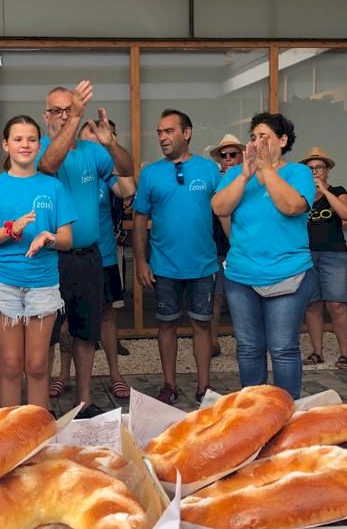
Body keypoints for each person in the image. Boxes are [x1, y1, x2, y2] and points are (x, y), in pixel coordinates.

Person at [37, 81, 133, 418]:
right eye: (58, 111)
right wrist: (77, 117)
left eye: (70, 109)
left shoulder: (93, 152)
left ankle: (84, 401)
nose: (65, 116)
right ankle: (41, 406)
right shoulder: (40, 148)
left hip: (88, 257)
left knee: (85, 331)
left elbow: (126, 170)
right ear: (46, 116)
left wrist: (111, 145)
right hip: (49, 259)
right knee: (47, 334)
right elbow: (49, 165)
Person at [0, 115, 75, 410]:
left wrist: (48, 238)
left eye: (31, 139)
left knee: (38, 366)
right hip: (2, 284)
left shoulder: (53, 187)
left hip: (43, 284)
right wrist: (10, 230)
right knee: (11, 365)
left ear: (39, 145)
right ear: (6, 145)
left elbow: (67, 239)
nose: (25, 145)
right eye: (18, 139)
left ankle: (38, 430)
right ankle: (11, 431)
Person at [211, 112, 315, 399]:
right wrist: (245, 176)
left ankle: (285, 410)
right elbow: (219, 207)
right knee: (248, 347)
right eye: (253, 137)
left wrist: (267, 170)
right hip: (241, 275)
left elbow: (292, 207)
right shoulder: (237, 174)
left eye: (264, 137)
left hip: (288, 273)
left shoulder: (299, 173)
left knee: (283, 348)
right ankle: (255, 409)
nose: (256, 143)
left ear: (282, 140)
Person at [134, 109, 221, 406]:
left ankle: (204, 387)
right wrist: (141, 261)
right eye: (159, 132)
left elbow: (224, 211)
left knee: (202, 325)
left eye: (169, 131)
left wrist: (237, 249)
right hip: (163, 265)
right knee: (167, 325)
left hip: (203, 264)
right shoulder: (150, 174)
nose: (162, 137)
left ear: (187, 133)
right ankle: (169, 385)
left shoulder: (209, 170)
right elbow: (140, 219)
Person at [80, 115, 137, 400]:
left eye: (100, 142)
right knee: (68, 321)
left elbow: (129, 189)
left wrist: (112, 147)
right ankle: (64, 375)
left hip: (104, 255)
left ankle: (115, 374)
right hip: (71, 257)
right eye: (90, 140)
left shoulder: (106, 174)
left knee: (108, 317)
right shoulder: (67, 169)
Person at [299, 147, 347, 368]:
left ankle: (345, 354)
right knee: (312, 304)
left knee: (336, 304)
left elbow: (346, 213)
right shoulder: (300, 194)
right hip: (305, 254)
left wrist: (324, 189)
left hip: (334, 254)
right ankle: (317, 352)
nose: (314, 171)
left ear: (327, 170)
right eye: (310, 168)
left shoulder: (338, 191)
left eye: (319, 167)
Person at [207, 134, 244, 357]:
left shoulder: (250, 179)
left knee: (242, 299)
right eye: (224, 155)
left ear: (242, 156)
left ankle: (245, 343)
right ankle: (212, 341)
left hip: (243, 249)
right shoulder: (215, 181)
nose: (228, 158)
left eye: (233, 154)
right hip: (217, 247)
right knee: (215, 297)